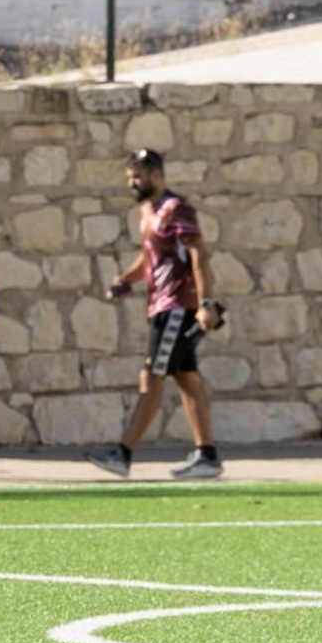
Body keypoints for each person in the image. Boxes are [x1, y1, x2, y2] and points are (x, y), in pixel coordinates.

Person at [85, 149, 223, 480]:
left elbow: (198, 255)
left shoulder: (177, 209)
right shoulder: (148, 212)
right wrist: (124, 280)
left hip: (176, 307)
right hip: (159, 305)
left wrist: (205, 303)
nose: (132, 183)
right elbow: (150, 258)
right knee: (187, 379)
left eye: (138, 176)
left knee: (152, 376)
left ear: (157, 175)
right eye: (129, 177)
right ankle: (207, 456)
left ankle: (123, 453)